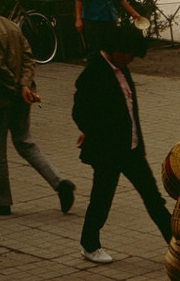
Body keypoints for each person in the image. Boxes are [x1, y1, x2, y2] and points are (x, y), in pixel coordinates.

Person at [71, 27, 171, 265]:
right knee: (102, 198)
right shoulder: (94, 72)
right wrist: (93, 132)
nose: (130, 59)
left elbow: (128, 110)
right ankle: (89, 245)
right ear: (115, 50)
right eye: (128, 54)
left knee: (153, 197)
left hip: (132, 148)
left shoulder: (121, 69)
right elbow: (80, 111)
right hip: (108, 152)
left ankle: (176, 243)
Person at [0, 7, 75, 217]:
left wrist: (15, 87)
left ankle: (1, 201)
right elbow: (29, 58)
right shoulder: (12, 26)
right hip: (23, 94)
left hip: (2, 98)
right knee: (25, 142)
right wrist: (24, 86)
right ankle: (59, 183)